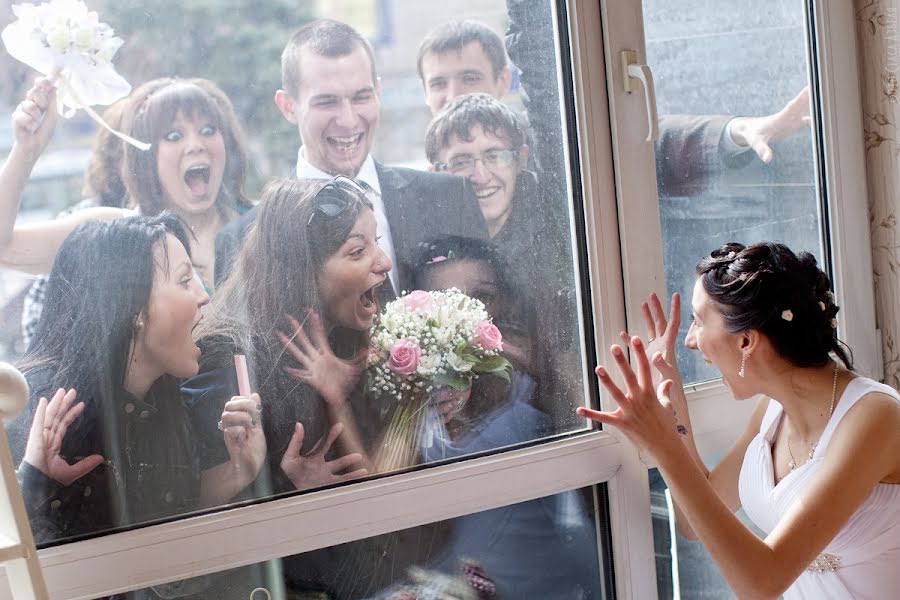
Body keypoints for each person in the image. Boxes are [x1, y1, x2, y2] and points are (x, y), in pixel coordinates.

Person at [577, 242, 900, 599]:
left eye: (699, 321)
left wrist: (663, 446)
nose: (689, 342)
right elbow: (692, 522)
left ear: (746, 341)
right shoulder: (772, 412)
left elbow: (760, 583)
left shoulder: (877, 417)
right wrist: (673, 404)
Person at [5, 214, 265, 549]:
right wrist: (34, 483)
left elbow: (164, 525)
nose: (204, 296)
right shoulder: (37, 410)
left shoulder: (162, 399)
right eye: (185, 281)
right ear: (136, 310)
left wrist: (237, 470)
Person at [214, 19, 487, 290]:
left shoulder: (451, 198)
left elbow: (495, 320)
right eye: (327, 102)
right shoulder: (245, 240)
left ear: (378, 92)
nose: (348, 119)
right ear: (288, 106)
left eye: (361, 97)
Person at [418, 18, 810, 199]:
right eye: (439, 83)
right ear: (423, 92)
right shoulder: (415, 189)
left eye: (469, 78)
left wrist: (739, 132)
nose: (453, 95)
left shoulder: (545, 144)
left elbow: (643, 142)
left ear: (503, 81)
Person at [0, 76, 252, 293]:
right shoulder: (116, 236)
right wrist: (26, 151)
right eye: (174, 135)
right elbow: (6, 248)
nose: (196, 144)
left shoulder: (263, 224)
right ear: (144, 158)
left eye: (208, 130)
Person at [424, 98, 578, 426]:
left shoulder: (554, 233)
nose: (480, 175)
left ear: (520, 159)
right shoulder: (428, 241)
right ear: (435, 173)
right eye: (461, 161)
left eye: (494, 155)